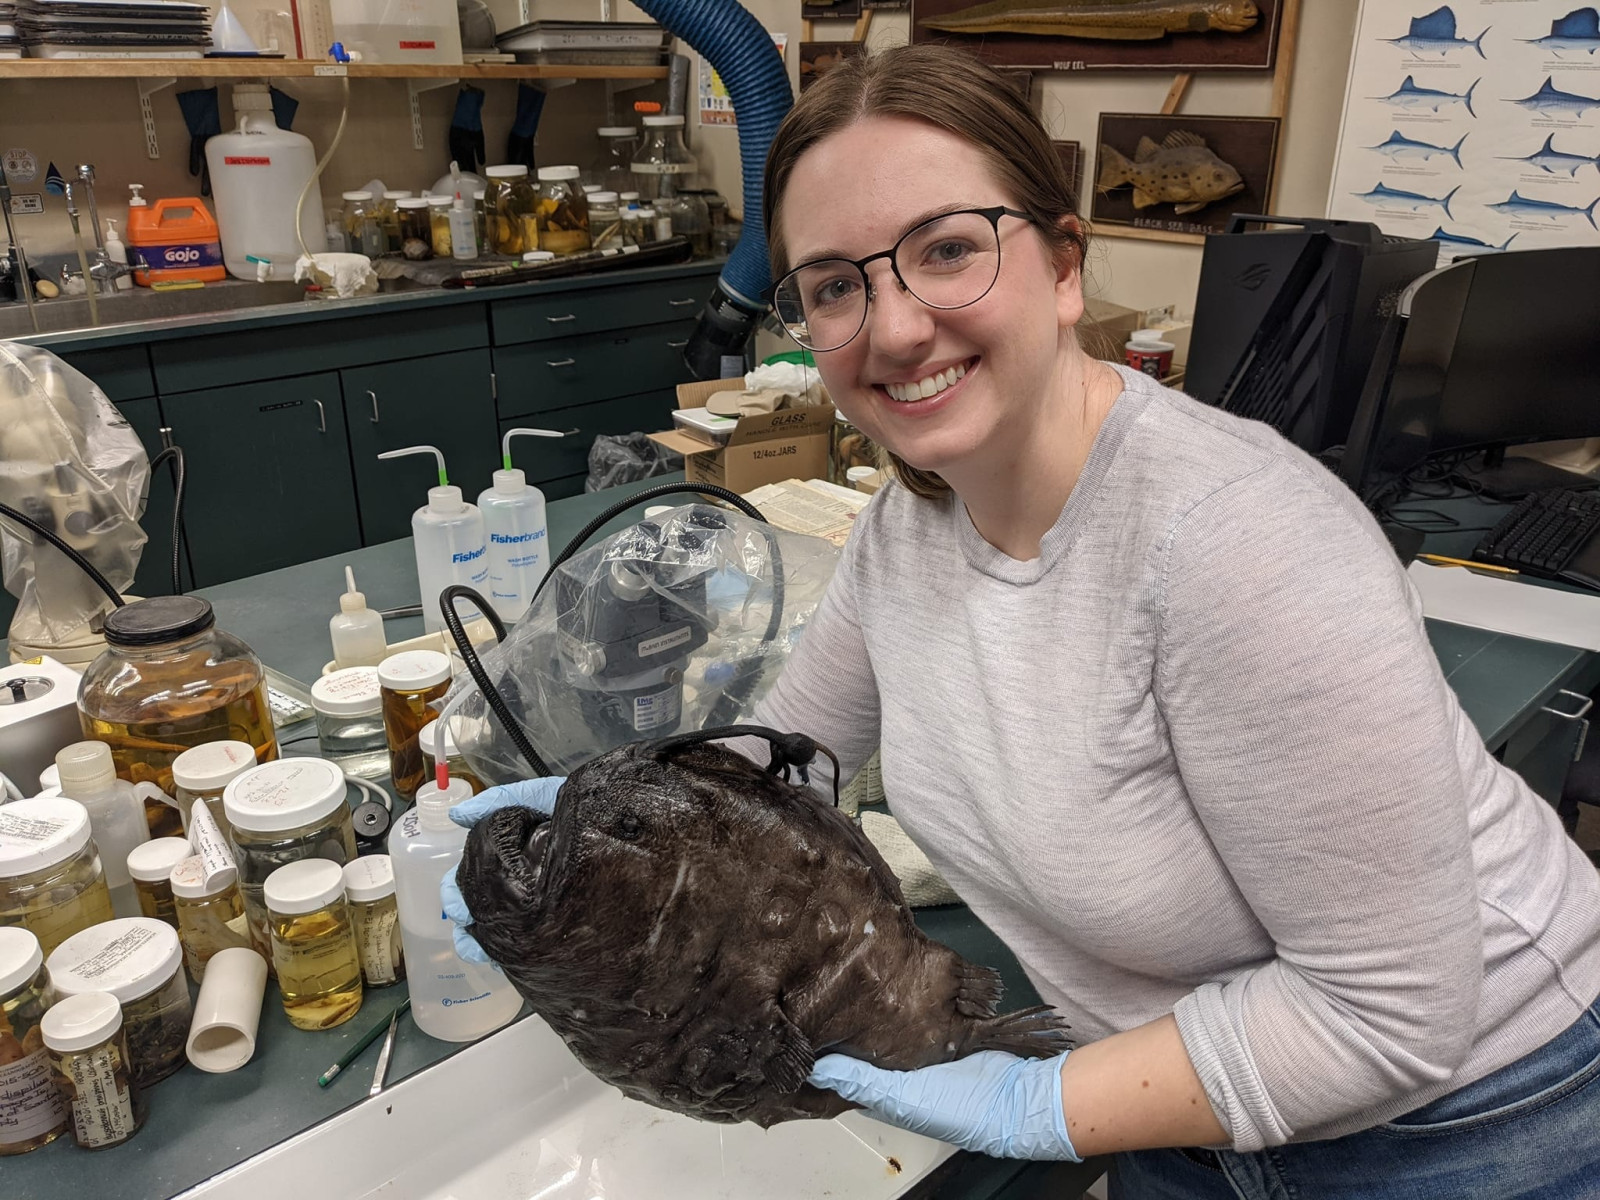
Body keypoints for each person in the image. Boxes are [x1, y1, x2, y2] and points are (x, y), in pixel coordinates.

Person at [443, 44, 1600, 1198]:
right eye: (836, 284)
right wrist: (619, 829)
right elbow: (779, 778)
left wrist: (1035, 1103)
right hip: (1173, 1103)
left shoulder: (1232, 541)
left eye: (946, 250)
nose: (892, 329)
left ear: (1061, 267)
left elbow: (1392, 1014)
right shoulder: (915, 524)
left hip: (1467, 1124)